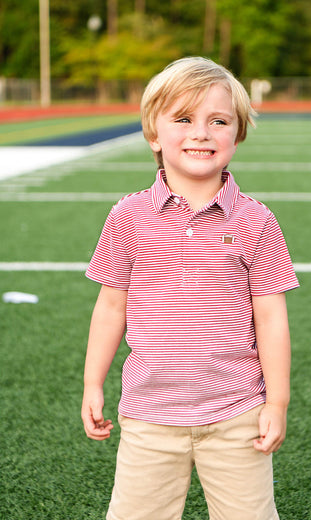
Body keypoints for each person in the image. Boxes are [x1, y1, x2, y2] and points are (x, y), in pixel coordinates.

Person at [81, 56, 299, 520]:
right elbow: (111, 305)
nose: (201, 132)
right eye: (183, 119)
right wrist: (91, 383)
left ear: (236, 135)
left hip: (237, 412)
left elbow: (271, 317)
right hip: (148, 414)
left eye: (218, 121)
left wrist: (277, 402)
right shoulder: (128, 216)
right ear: (154, 134)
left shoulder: (257, 221)